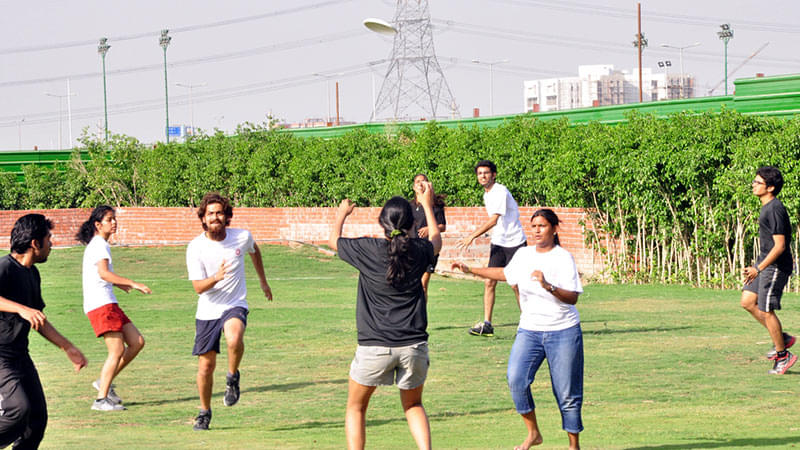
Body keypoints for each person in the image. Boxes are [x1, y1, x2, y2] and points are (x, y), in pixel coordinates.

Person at [452, 209, 583, 450]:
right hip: (530, 331)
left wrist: (548, 286)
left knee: (567, 393)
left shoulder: (563, 257)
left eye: (542, 226)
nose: (536, 230)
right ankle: (533, 433)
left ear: (554, 229)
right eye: (533, 226)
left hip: (563, 331)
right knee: (516, 378)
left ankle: (573, 445)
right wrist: (470, 269)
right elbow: (504, 273)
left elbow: (573, 297)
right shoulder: (523, 255)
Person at [329, 181, 442, 450]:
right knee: (413, 404)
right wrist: (427, 203)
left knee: (356, 408)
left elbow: (333, 241)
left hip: (374, 347)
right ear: (412, 223)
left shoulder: (368, 249)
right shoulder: (418, 250)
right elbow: (436, 241)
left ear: (383, 223)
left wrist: (342, 214)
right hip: (413, 346)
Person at [185, 192, 273, 430]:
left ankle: (232, 377)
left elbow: (255, 251)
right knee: (205, 366)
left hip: (235, 303)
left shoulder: (242, 237)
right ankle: (204, 412)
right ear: (203, 218)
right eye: (210, 213)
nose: (215, 217)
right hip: (208, 309)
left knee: (234, 338)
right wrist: (216, 277)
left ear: (227, 216)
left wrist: (263, 281)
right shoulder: (195, 247)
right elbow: (197, 288)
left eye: (219, 213)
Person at [0, 213, 87, 448]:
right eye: (48, 238)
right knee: (18, 411)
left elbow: (39, 319)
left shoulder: (32, 274)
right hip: (1, 358)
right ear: (34, 243)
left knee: (36, 421)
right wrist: (21, 309)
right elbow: (27, 311)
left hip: (20, 356)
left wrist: (67, 347)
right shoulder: (5, 267)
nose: (52, 244)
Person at [77, 206, 151, 411]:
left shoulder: (98, 245)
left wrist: (120, 285)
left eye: (114, 219)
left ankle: (104, 382)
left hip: (108, 302)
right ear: (98, 225)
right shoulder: (99, 244)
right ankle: (100, 400)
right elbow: (103, 273)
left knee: (137, 342)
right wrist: (133, 283)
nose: (114, 222)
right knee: (117, 350)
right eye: (110, 219)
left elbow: (101, 274)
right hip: (101, 304)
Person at [456, 160, 527, 337]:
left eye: (486, 173)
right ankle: (487, 324)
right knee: (489, 281)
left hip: (515, 242)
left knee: (516, 284)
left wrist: (472, 236)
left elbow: (493, 220)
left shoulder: (500, 191)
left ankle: (528, 322)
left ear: (493, 174)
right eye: (479, 173)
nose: (482, 176)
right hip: (499, 242)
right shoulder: (487, 194)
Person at [740, 166, 796, 375]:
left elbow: (780, 245)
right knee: (747, 302)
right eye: (754, 181)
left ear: (770, 187)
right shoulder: (766, 207)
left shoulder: (774, 209)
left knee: (765, 309)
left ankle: (783, 356)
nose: (753, 185)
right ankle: (782, 338)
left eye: (758, 182)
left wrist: (758, 268)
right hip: (763, 264)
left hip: (774, 267)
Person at [408, 173, 447, 296]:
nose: (420, 184)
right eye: (418, 181)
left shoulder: (436, 206)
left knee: (423, 284)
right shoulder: (409, 206)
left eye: (423, 181)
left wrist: (430, 229)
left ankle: (422, 313)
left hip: (429, 248)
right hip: (412, 248)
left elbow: (442, 226)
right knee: (412, 284)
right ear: (414, 186)